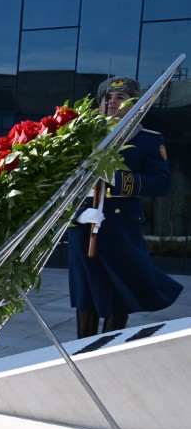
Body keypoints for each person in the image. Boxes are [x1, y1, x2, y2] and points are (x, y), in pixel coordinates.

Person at [68, 75, 183, 338]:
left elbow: (162, 183)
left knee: (122, 288)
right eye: (107, 98)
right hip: (84, 222)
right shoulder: (80, 137)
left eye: (120, 97)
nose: (112, 102)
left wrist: (117, 180)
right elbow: (60, 183)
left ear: (134, 104)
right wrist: (78, 214)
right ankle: (82, 347)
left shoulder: (148, 140)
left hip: (121, 226)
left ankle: (109, 345)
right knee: (86, 290)